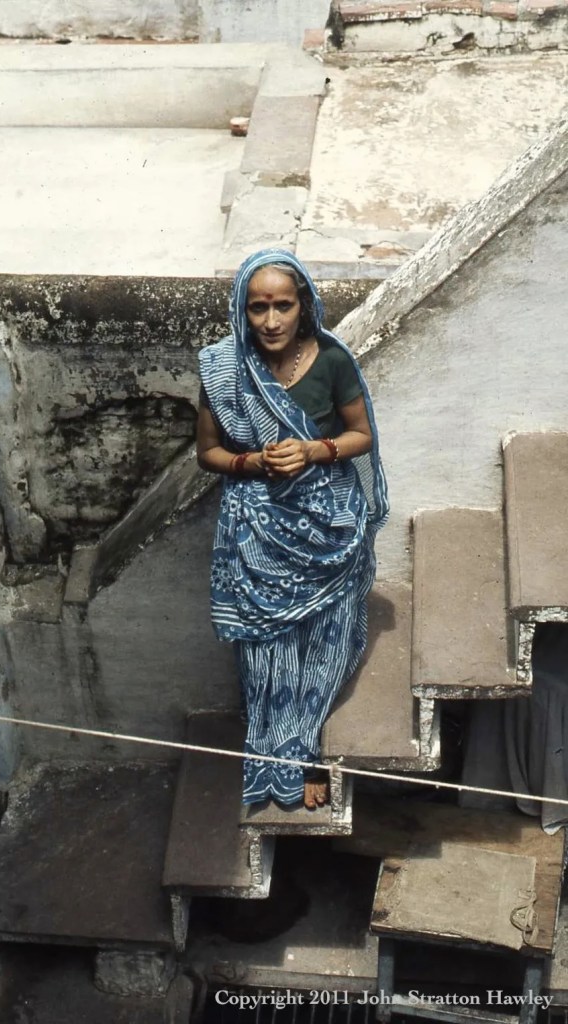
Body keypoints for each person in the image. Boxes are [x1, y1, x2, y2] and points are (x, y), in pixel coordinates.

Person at [196, 249, 388, 810]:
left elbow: (361, 436)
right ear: (243, 310)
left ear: (303, 305)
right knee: (264, 653)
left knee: (324, 645)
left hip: (327, 525)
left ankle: (304, 751)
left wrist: (312, 450)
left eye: (283, 305)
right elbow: (207, 452)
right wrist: (253, 462)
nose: (272, 320)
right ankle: (271, 753)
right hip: (258, 531)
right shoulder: (224, 367)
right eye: (258, 308)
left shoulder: (331, 359)